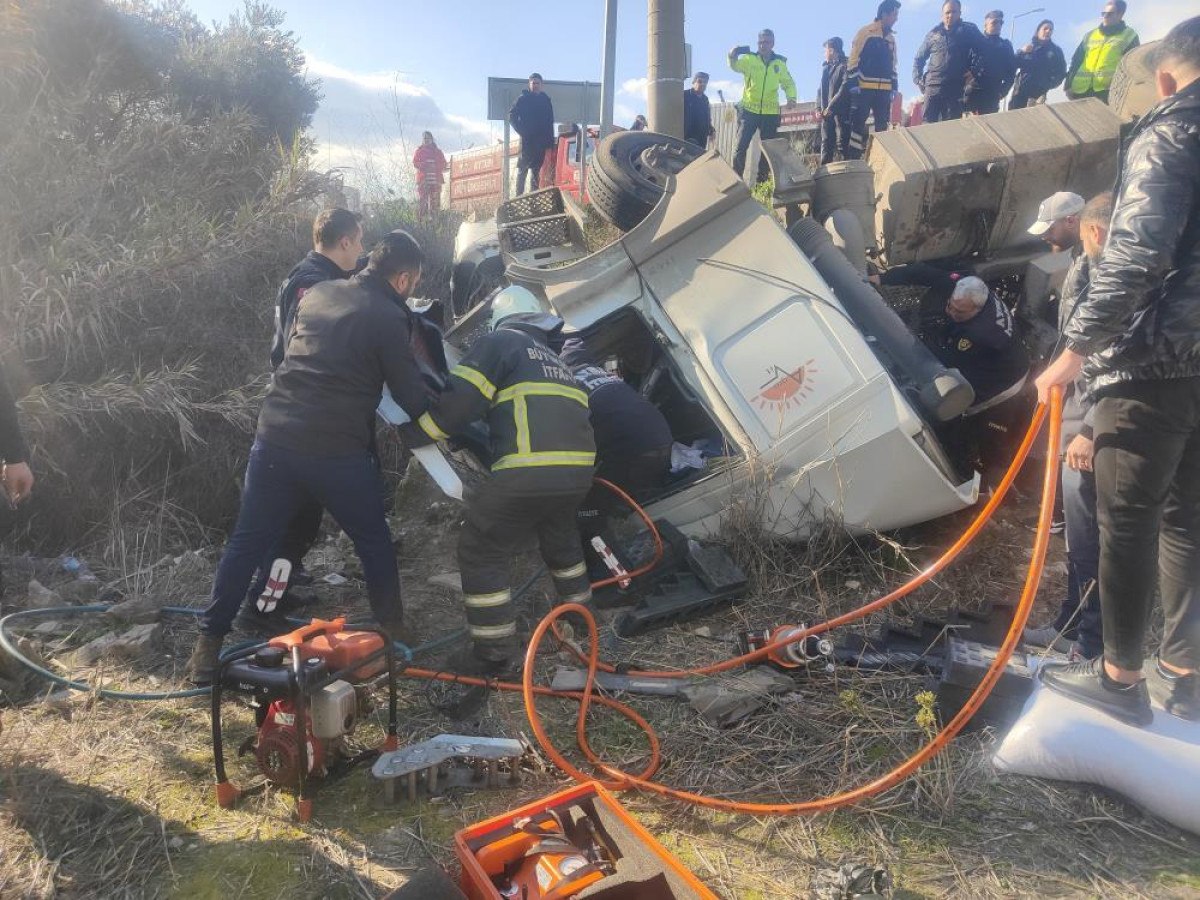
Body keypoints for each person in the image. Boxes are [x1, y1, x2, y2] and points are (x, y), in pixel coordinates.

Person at [1035, 16, 1200, 726]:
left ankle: (1119, 681)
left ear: (1165, 76)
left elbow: (1138, 254)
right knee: (1188, 519)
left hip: (1153, 363)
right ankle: (1183, 677)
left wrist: (1073, 352)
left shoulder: (1172, 130)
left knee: (1126, 518)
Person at [186, 231, 430, 684]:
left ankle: (206, 649)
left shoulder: (318, 292)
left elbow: (290, 353)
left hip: (275, 437)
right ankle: (393, 634)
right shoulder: (387, 316)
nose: (412, 288)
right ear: (401, 279)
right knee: (373, 541)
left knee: (247, 542)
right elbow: (412, 399)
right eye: (413, 281)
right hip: (336, 450)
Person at [405, 286, 595, 716]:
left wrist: (420, 431)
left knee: (481, 547)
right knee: (562, 545)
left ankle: (493, 652)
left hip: (530, 472)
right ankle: (582, 626)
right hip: (577, 476)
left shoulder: (499, 343)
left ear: (499, 321)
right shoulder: (560, 364)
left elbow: (460, 406)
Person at [250, 209, 363, 629]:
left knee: (301, 517)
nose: (362, 252)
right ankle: (263, 607)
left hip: (296, 410)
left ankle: (278, 586)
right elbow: (308, 347)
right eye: (360, 243)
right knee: (293, 521)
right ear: (345, 242)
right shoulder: (313, 285)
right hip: (300, 412)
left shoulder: (307, 274)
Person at [1024, 192, 1112, 662]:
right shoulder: (1088, 264)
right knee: (1078, 538)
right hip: (1075, 415)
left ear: (1084, 224)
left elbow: (1116, 358)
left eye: (1065, 228)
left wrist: (1091, 427)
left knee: (1092, 538)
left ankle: (1091, 644)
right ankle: (1070, 622)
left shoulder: (1122, 277)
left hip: (1091, 426)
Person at [559, 339, 673, 578]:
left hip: (632, 450)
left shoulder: (564, 387)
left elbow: (571, 443)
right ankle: (625, 540)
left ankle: (616, 580)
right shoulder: (599, 373)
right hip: (662, 438)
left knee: (586, 514)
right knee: (609, 499)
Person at [930, 276, 1031, 489]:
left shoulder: (982, 335)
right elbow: (927, 273)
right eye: (951, 306)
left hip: (1005, 385)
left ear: (976, 310)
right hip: (1009, 359)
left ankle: (998, 491)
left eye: (960, 312)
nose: (952, 313)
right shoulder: (981, 294)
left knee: (992, 436)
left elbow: (951, 363)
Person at [728, 29, 797, 184]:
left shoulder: (779, 63)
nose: (762, 45)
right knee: (740, 147)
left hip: (770, 113)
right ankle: (736, 182)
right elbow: (735, 66)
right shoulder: (749, 59)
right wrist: (732, 54)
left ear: (772, 43)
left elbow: (788, 83)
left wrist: (791, 97)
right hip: (749, 111)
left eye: (766, 42)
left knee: (767, 151)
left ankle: (762, 184)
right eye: (760, 42)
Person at [846, 1, 901, 160]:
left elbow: (893, 64)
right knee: (857, 125)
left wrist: (894, 85)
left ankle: (879, 160)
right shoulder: (866, 32)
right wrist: (853, 82)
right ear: (884, 14)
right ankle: (854, 160)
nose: (896, 18)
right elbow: (853, 59)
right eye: (894, 14)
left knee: (882, 127)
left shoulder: (891, 39)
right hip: (864, 88)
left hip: (884, 91)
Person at [914, 0, 983, 123]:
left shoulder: (968, 31)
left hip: (954, 88)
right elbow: (919, 59)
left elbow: (984, 52)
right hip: (932, 87)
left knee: (951, 128)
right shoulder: (933, 34)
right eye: (947, 12)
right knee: (926, 128)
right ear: (942, 14)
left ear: (960, 13)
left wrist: (974, 71)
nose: (950, 15)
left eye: (954, 12)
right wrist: (918, 79)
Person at [1065, 1, 1140, 104]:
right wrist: (1068, 85)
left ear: (1120, 14)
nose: (1105, 16)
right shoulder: (1090, 35)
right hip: (1079, 90)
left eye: (1109, 14)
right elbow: (1076, 61)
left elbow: (1132, 67)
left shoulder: (1129, 35)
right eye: (1103, 13)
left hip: (1107, 92)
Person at [509, 73, 555, 195]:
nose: (535, 85)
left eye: (537, 83)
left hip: (540, 143)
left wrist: (550, 143)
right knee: (522, 170)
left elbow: (550, 122)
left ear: (541, 85)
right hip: (526, 142)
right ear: (529, 84)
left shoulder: (546, 101)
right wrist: (522, 131)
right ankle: (517, 198)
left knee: (536, 173)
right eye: (533, 83)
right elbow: (512, 116)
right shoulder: (523, 99)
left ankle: (532, 200)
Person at [964, 10, 1016, 115]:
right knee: (965, 125)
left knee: (987, 126)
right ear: (985, 25)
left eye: (1001, 23)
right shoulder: (975, 42)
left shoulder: (1005, 46)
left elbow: (1011, 72)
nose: (998, 25)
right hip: (972, 91)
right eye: (994, 22)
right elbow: (964, 63)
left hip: (992, 93)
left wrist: (1003, 91)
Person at [1010, 18, 1067, 109]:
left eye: (1050, 29)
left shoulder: (1056, 51)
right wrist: (1021, 51)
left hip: (1038, 96)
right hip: (1020, 93)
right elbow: (1012, 63)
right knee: (1013, 120)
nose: (1048, 31)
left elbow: (1061, 73)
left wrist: (1048, 85)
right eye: (1045, 28)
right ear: (1038, 31)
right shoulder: (1029, 47)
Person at [818, 38, 852, 165]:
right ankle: (823, 177)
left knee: (842, 144)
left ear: (831, 50)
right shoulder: (826, 67)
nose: (824, 53)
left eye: (825, 50)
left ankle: (846, 175)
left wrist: (831, 107)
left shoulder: (845, 64)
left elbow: (845, 88)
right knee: (826, 144)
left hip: (841, 113)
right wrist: (818, 108)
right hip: (826, 116)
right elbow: (820, 90)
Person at [412, 132, 448, 218]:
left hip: (436, 181)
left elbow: (444, 164)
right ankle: (422, 224)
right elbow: (415, 163)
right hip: (423, 180)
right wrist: (423, 165)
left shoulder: (438, 152)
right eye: (425, 138)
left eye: (428, 138)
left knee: (435, 203)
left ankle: (435, 223)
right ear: (422, 140)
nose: (426, 140)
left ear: (432, 139)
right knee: (423, 203)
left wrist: (435, 166)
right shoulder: (419, 151)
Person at [683, 73, 715, 148]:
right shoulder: (685, 95)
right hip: (686, 138)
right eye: (700, 81)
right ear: (693, 82)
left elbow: (707, 119)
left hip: (701, 140)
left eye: (705, 82)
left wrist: (711, 130)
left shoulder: (705, 100)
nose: (702, 84)